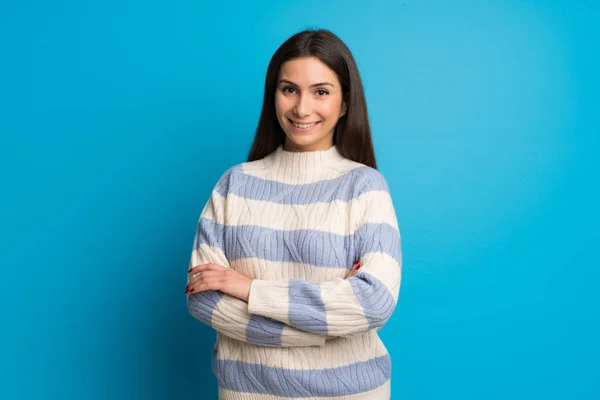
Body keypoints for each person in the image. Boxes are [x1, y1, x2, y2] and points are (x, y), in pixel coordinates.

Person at [185, 28, 402, 400]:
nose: (302, 108)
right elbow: (203, 299)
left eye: (321, 91)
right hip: (247, 392)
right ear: (273, 96)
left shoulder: (365, 187)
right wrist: (325, 327)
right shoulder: (233, 185)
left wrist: (250, 290)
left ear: (345, 102)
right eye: (289, 90)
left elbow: (373, 302)